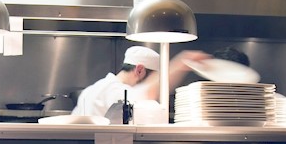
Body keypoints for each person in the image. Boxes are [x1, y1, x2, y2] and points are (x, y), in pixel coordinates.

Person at [72, 46, 210, 117]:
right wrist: (182, 62)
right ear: (139, 70)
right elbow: (147, 93)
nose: (155, 83)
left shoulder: (92, 89)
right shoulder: (114, 90)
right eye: (154, 78)